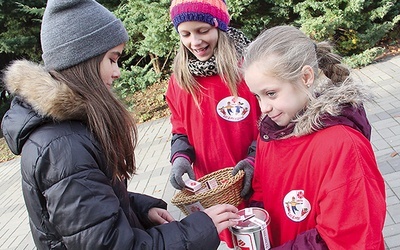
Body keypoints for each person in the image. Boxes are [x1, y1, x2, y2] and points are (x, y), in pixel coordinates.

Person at [1, 0, 240, 249]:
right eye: (112, 60)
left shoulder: (67, 132)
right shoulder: (64, 148)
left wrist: (140, 210)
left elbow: (93, 205)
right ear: (84, 61)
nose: (117, 72)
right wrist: (199, 228)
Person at [242, 25, 386, 249]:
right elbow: (263, 188)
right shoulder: (271, 133)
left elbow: (349, 237)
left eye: (271, 93)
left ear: (306, 77)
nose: (264, 108)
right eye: (257, 96)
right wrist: (252, 218)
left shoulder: (343, 145)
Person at [167, 0, 261, 247]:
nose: (195, 42)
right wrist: (180, 159)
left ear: (219, 26)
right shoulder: (179, 82)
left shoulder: (249, 69)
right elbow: (180, 131)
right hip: (215, 193)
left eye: (203, 30)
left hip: (258, 181)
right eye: (185, 34)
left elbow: (273, 123)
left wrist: (254, 158)